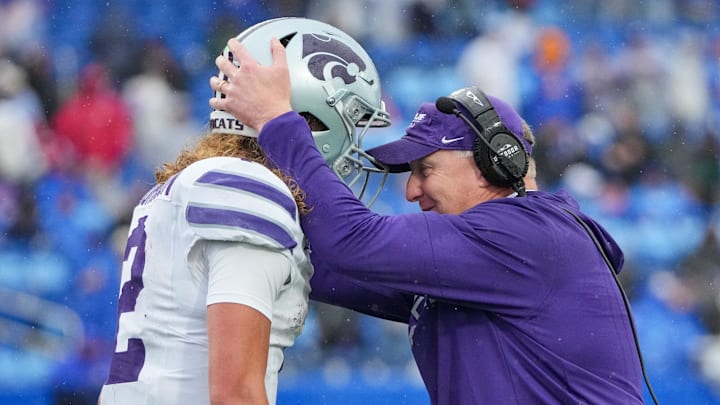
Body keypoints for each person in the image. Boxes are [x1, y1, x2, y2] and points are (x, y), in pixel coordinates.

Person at [209, 37, 647, 404]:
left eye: (425, 169)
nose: (411, 191)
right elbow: (321, 265)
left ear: (494, 164)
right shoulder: (490, 261)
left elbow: (351, 243)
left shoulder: (530, 235)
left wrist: (277, 122)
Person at [99, 17, 390, 405]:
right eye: (352, 124)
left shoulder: (185, 185)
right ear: (311, 117)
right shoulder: (250, 190)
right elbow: (235, 393)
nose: (355, 146)